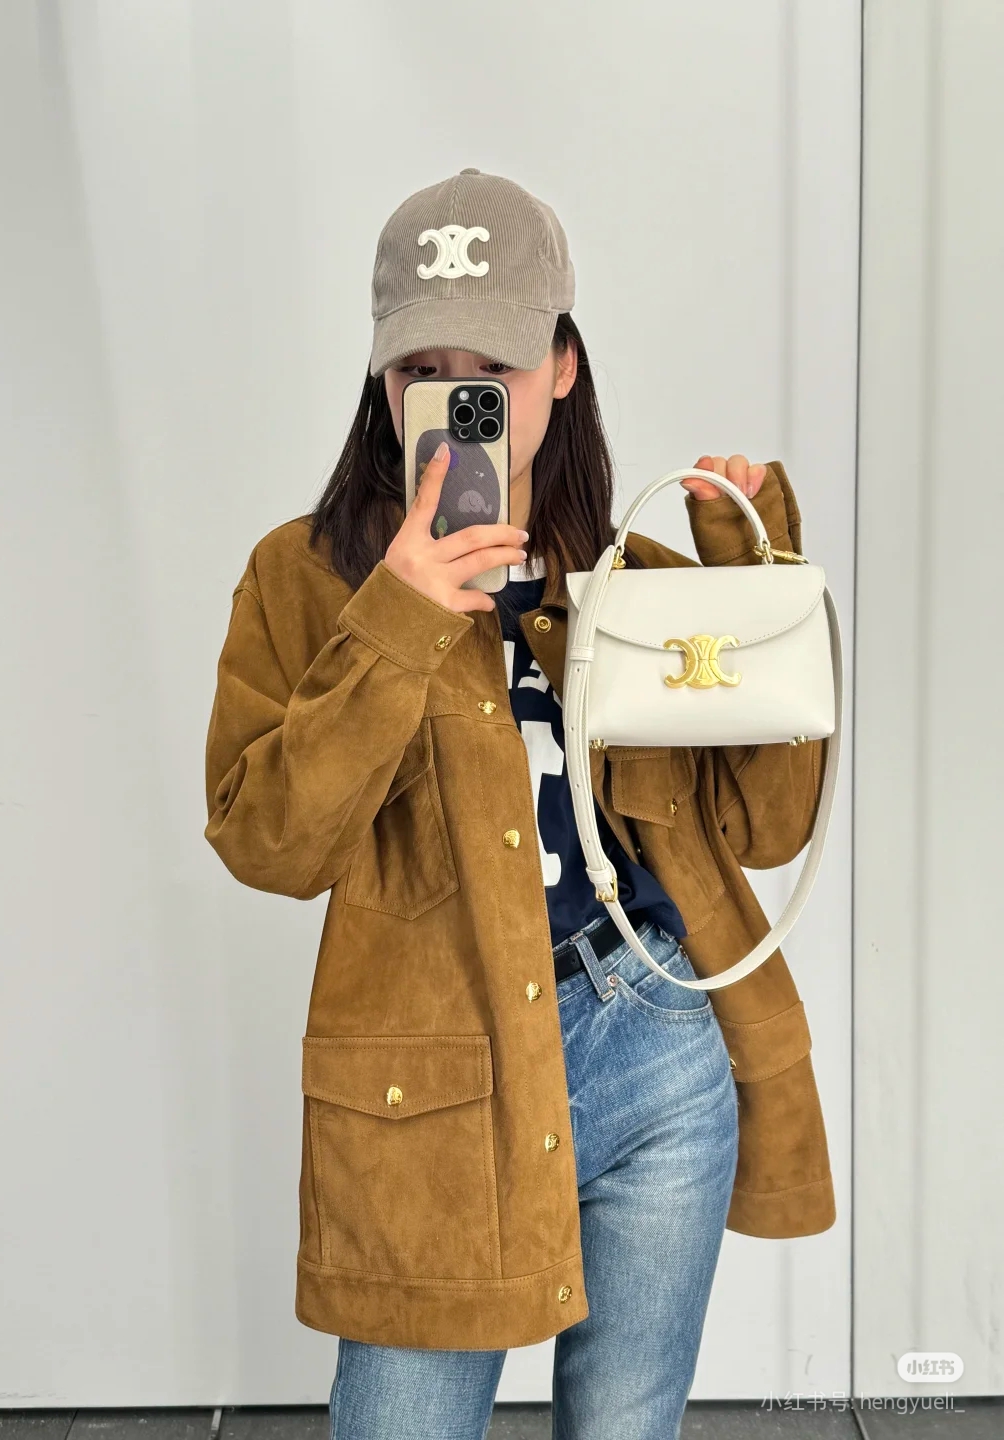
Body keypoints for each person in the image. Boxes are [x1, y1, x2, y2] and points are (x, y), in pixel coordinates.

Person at [203, 168, 834, 1440]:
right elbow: (269, 843)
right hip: (433, 1085)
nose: (453, 402)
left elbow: (765, 830)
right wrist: (395, 620)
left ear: (561, 367)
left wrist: (750, 573)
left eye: (487, 367)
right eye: (418, 370)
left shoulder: (634, 580)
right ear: (380, 384)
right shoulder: (302, 579)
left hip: (658, 1038)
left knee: (630, 1424)